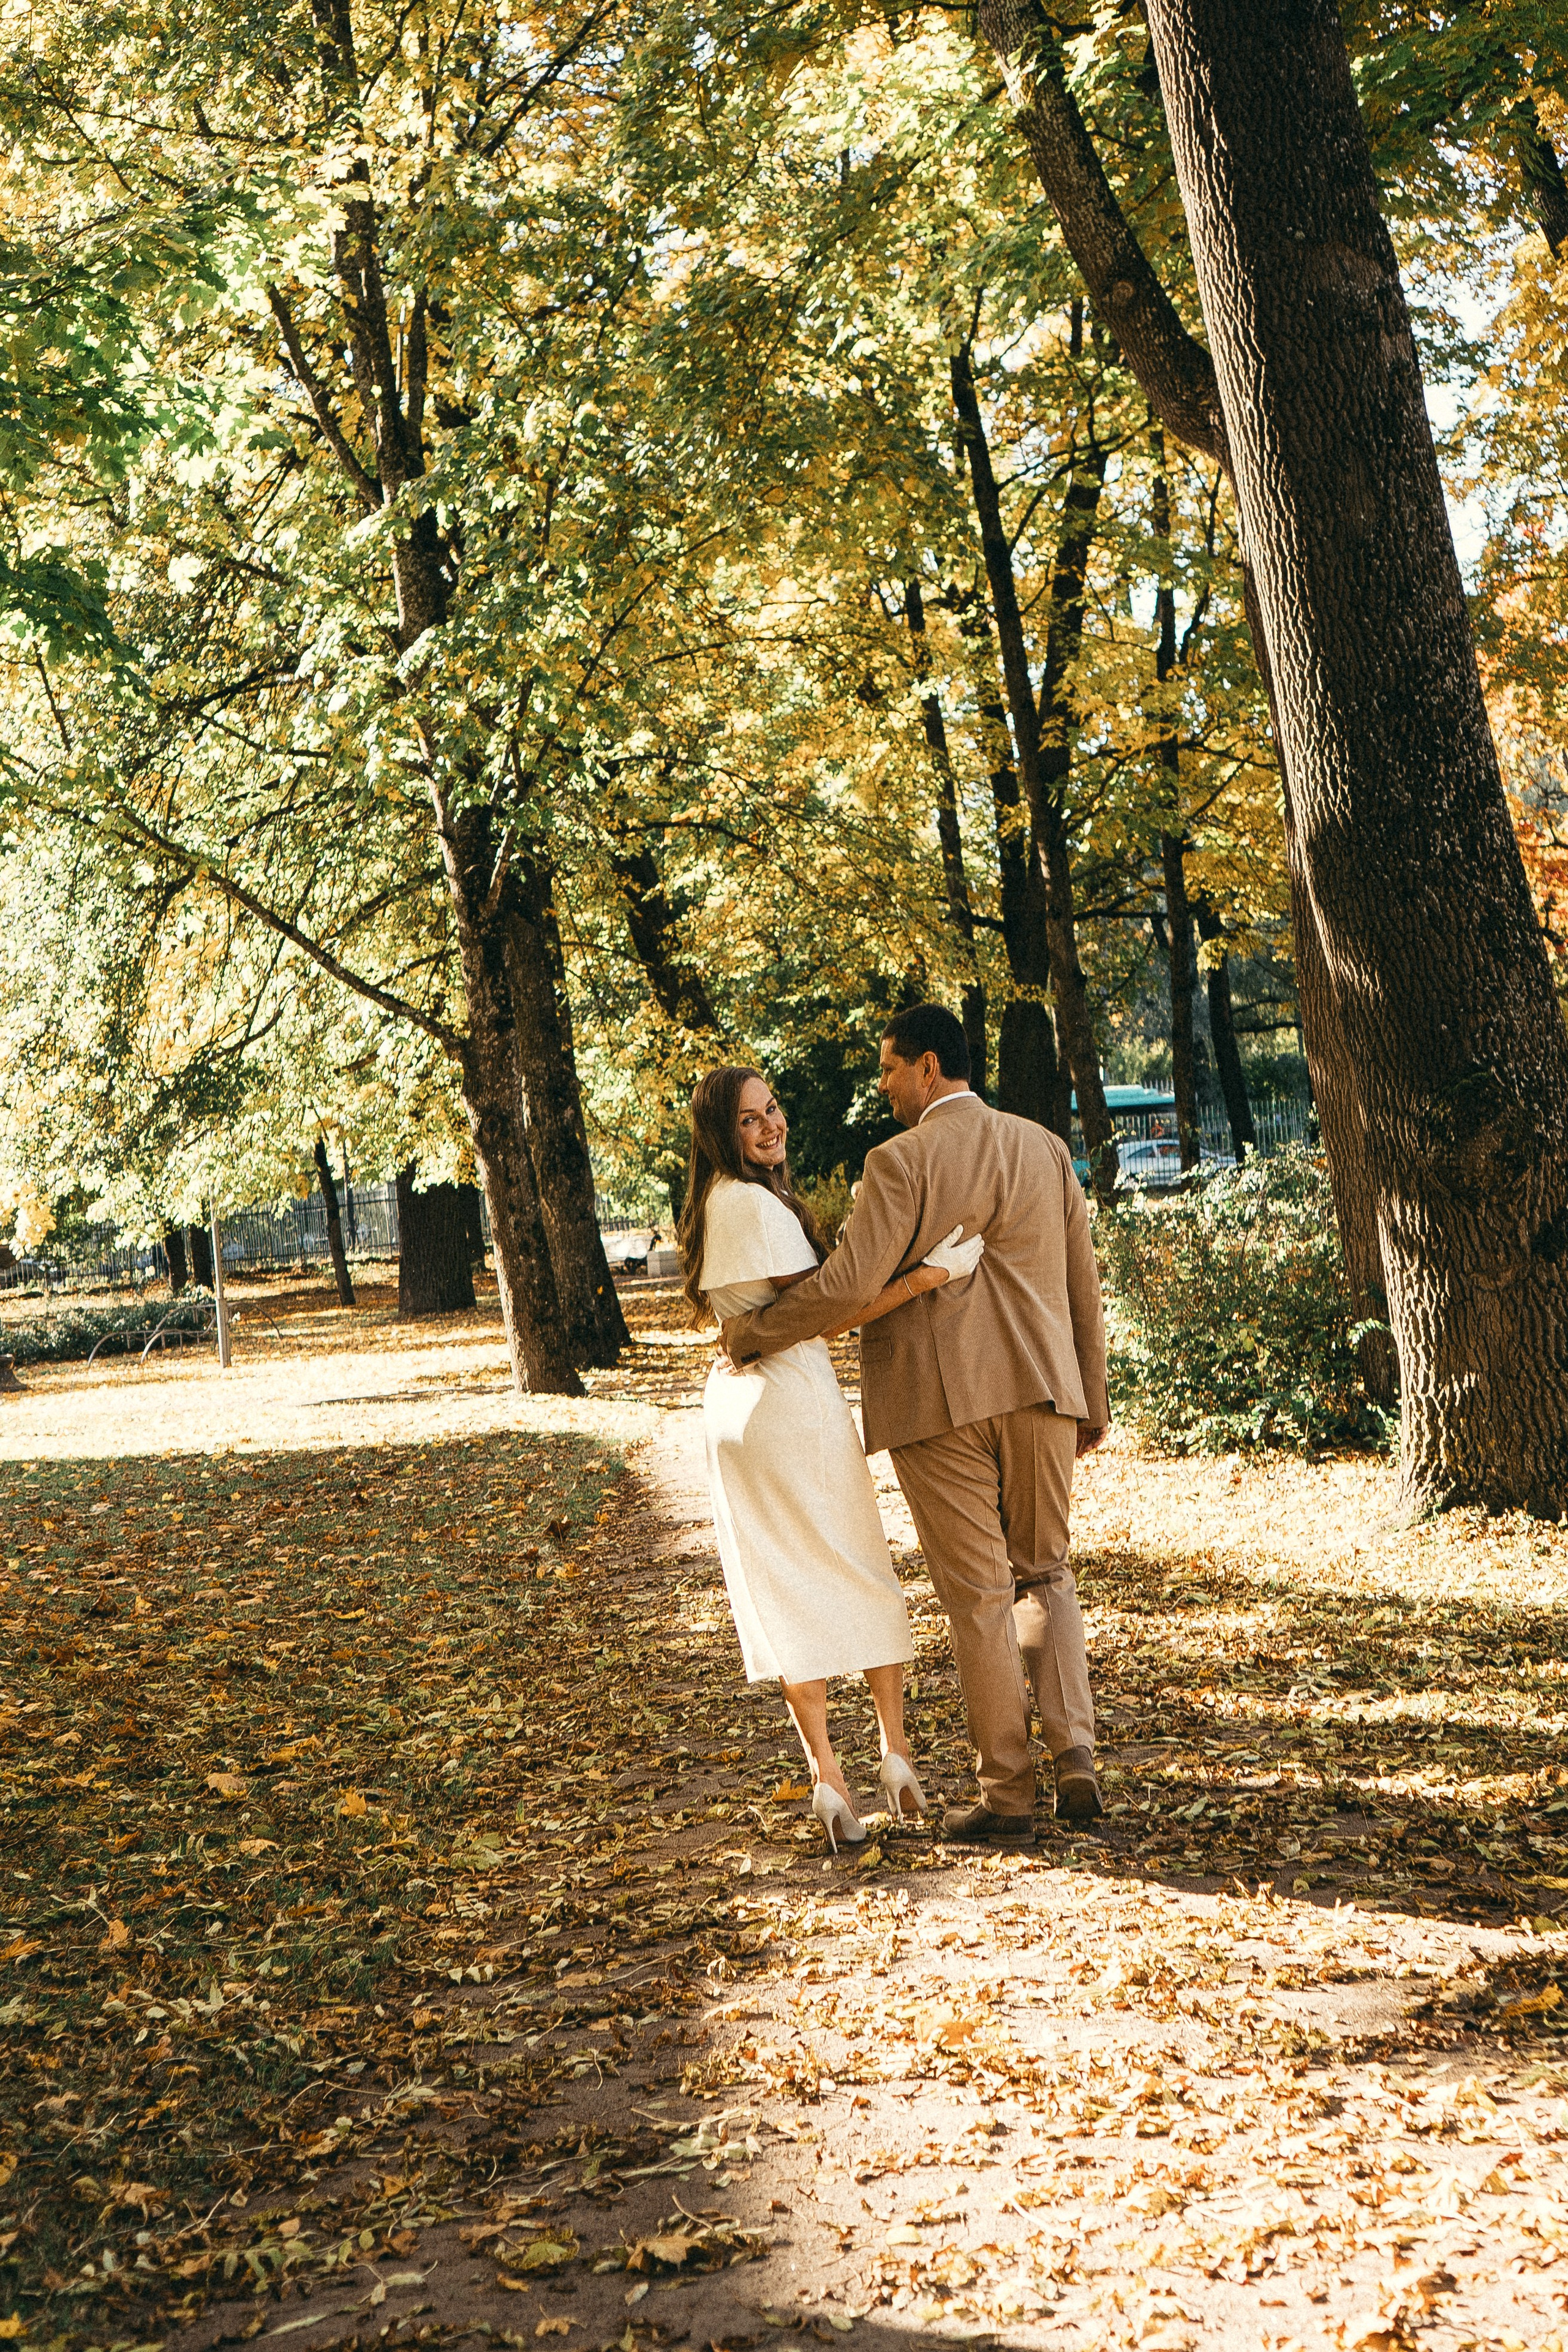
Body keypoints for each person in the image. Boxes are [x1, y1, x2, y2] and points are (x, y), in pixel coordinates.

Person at [722, 1004, 1109, 1846]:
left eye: (890, 1069)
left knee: (979, 1597)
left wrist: (754, 1333)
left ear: (928, 1067)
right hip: (1046, 1394)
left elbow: (847, 1286)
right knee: (1046, 1571)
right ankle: (1074, 1752)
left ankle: (1008, 1792)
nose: (884, 1086)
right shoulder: (1045, 1148)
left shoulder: (899, 1161)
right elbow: (1083, 1283)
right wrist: (1093, 1400)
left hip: (938, 1409)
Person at [677, 1065, 985, 1853]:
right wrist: (931, 1275)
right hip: (792, 1403)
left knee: (782, 1584)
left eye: (772, 1108)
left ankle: (828, 1778)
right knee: (857, 1565)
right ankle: (894, 1751)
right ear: (722, 1135)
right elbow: (833, 1305)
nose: (770, 1125)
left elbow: (770, 1311)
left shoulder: (718, 1203)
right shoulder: (751, 1203)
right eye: (749, 1120)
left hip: (738, 1412)